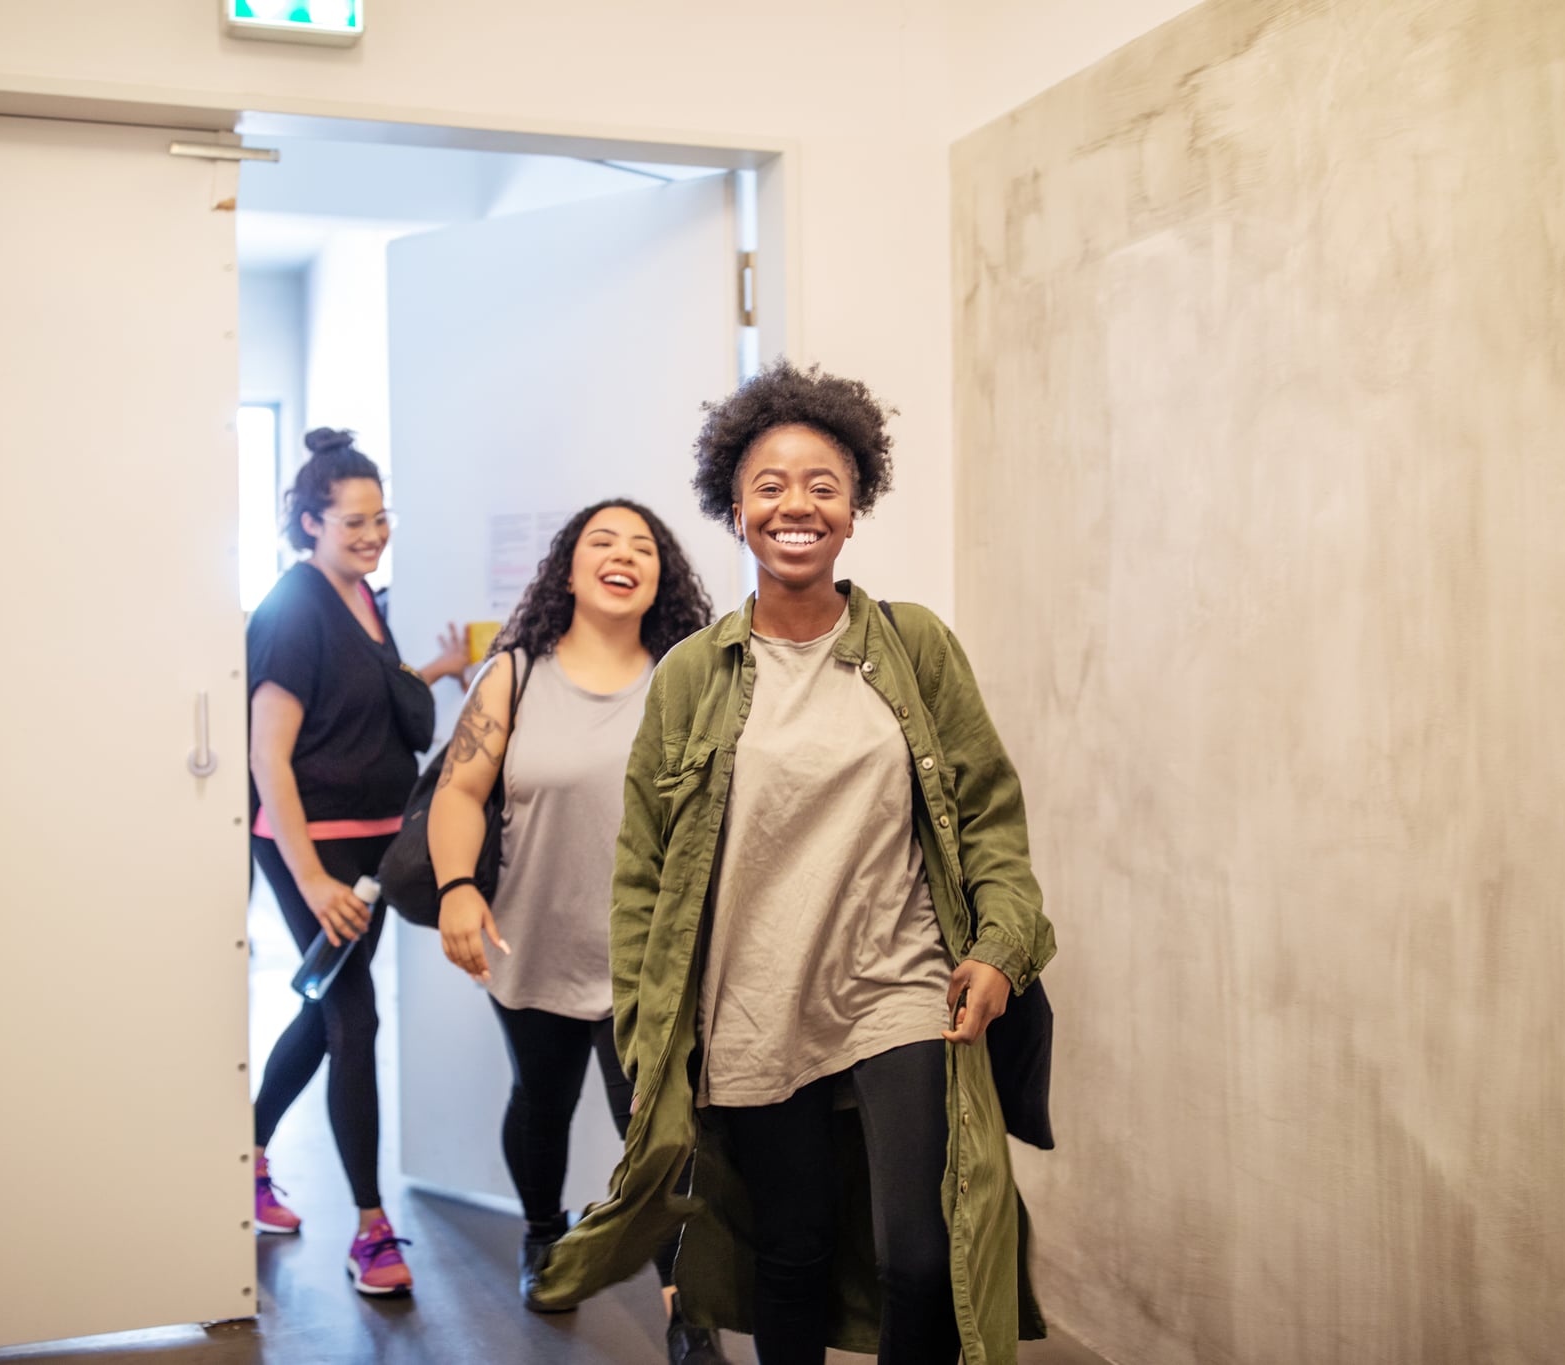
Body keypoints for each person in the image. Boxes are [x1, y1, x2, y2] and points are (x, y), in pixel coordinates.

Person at [531, 361, 1058, 1364]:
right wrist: (650, 1047)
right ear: (733, 509)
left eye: (822, 484)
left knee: (920, 1253)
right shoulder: (693, 674)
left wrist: (998, 947)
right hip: (752, 1003)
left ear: (854, 506)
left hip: (898, 988)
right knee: (792, 1256)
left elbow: (988, 818)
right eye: (768, 486)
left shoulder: (915, 648)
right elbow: (640, 876)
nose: (795, 505)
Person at [428, 499, 728, 1365]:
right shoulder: (512, 675)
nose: (623, 554)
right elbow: (457, 792)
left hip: (649, 960)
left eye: (643, 545)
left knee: (659, 1129)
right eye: (603, 540)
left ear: (660, 577)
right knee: (540, 1102)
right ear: (570, 568)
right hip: (533, 942)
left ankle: (688, 1309)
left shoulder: (686, 675)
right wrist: (455, 886)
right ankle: (542, 1231)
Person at [246, 428, 469, 1296]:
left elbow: (361, 692)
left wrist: (438, 669)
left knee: (326, 1006)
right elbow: (272, 756)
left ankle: (245, 1155)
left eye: (382, 520)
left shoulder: (363, 597)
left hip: (376, 840)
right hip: (315, 850)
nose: (373, 536)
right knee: (356, 1017)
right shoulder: (292, 608)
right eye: (353, 524)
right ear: (309, 524)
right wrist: (310, 879)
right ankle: (372, 1227)